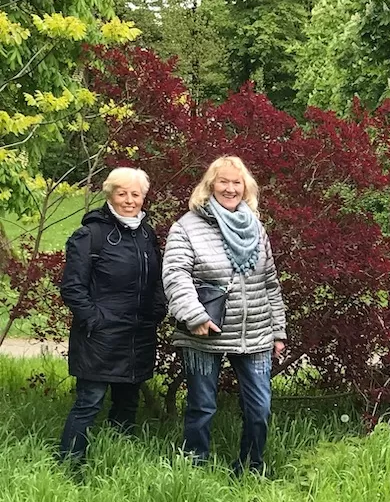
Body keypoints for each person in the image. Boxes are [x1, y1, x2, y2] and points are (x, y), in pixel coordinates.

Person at [162, 156, 287, 474]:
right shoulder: (186, 227)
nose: (230, 188)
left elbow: (270, 280)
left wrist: (278, 330)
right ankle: (194, 469)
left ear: (245, 187)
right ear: (210, 185)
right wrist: (194, 315)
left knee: (260, 409)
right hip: (205, 332)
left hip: (256, 332)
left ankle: (250, 467)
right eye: (223, 182)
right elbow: (176, 275)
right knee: (202, 407)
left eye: (236, 182)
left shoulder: (256, 227)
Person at [58, 167, 167, 463]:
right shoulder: (90, 234)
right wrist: (95, 320)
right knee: (89, 403)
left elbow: (157, 280)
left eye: (136, 194)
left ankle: (117, 461)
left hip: (138, 334)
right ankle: (70, 464)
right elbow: (72, 288)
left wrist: (156, 312)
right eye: (123, 193)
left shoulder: (146, 234)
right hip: (99, 338)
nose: (129, 200)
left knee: (127, 403)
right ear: (110, 194)